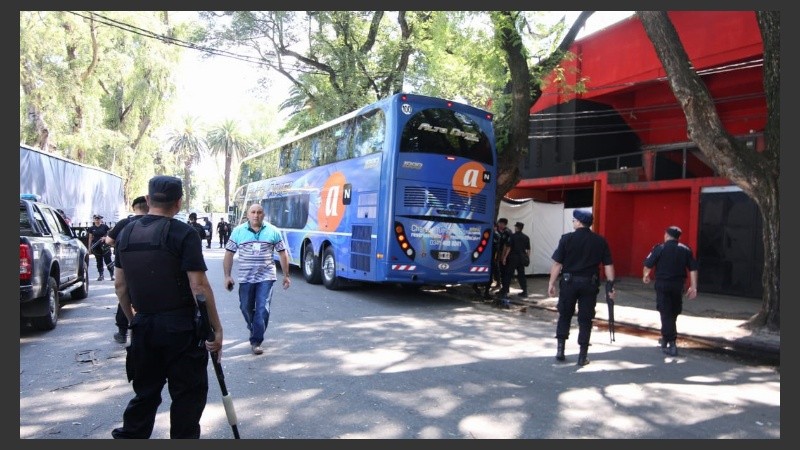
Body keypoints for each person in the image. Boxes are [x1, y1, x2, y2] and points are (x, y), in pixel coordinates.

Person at [111, 175, 223, 439]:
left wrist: (133, 319)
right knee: (187, 398)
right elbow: (199, 286)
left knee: (146, 393)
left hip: (144, 326)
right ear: (179, 202)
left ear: (148, 200)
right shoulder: (184, 233)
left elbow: (120, 285)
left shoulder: (126, 232)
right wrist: (216, 329)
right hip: (181, 329)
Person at [547, 209, 615, 366]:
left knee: (565, 314)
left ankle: (560, 350)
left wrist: (551, 283)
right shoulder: (600, 241)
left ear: (578, 222)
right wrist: (611, 286)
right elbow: (608, 265)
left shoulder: (567, 239)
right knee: (585, 319)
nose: (573, 222)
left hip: (569, 283)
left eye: (573, 220)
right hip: (589, 285)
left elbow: (558, 263)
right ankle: (582, 355)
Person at [223, 203, 291, 355]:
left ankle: (256, 341)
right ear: (248, 215)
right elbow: (229, 254)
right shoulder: (238, 231)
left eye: (259, 212)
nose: (256, 215)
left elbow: (282, 253)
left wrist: (286, 275)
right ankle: (253, 327)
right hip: (246, 278)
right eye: (253, 212)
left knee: (262, 308)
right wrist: (227, 276)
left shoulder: (273, 231)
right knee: (245, 307)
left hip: (266, 277)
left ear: (264, 215)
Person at [643, 225, 699, 357]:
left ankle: (672, 343)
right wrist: (694, 286)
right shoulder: (686, 250)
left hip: (663, 284)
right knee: (673, 311)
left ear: (667, 235)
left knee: (665, 312)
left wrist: (646, 275)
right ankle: (666, 337)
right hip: (678, 285)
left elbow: (648, 264)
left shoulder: (659, 248)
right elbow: (693, 269)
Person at [104, 195, 148, 344]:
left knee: (124, 295)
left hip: (126, 266)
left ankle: (123, 331)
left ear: (134, 208)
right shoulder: (155, 223)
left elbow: (109, 240)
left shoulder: (125, 223)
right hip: (151, 266)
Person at [472, 218, 512, 300]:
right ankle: (486, 292)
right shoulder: (496, 235)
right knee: (489, 276)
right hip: (491, 259)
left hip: (483, 257)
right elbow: (497, 248)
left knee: (481, 273)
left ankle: (478, 287)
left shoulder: (485, 233)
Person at [498, 221, 531, 307]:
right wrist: (526, 258)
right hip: (521, 259)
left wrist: (504, 257)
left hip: (513, 258)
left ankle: (505, 291)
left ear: (517, 228)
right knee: (521, 275)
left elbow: (509, 247)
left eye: (515, 227)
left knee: (508, 274)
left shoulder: (512, 236)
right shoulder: (526, 237)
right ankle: (524, 291)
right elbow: (528, 250)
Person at [87, 214, 114, 281]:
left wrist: (104, 238)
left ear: (101, 219)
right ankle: (101, 275)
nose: (97, 220)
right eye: (96, 218)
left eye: (98, 218)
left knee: (108, 261)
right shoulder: (91, 228)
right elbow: (90, 238)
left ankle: (112, 275)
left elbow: (109, 235)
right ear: (94, 219)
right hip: (97, 247)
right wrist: (89, 248)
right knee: (99, 261)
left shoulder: (105, 227)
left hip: (105, 246)